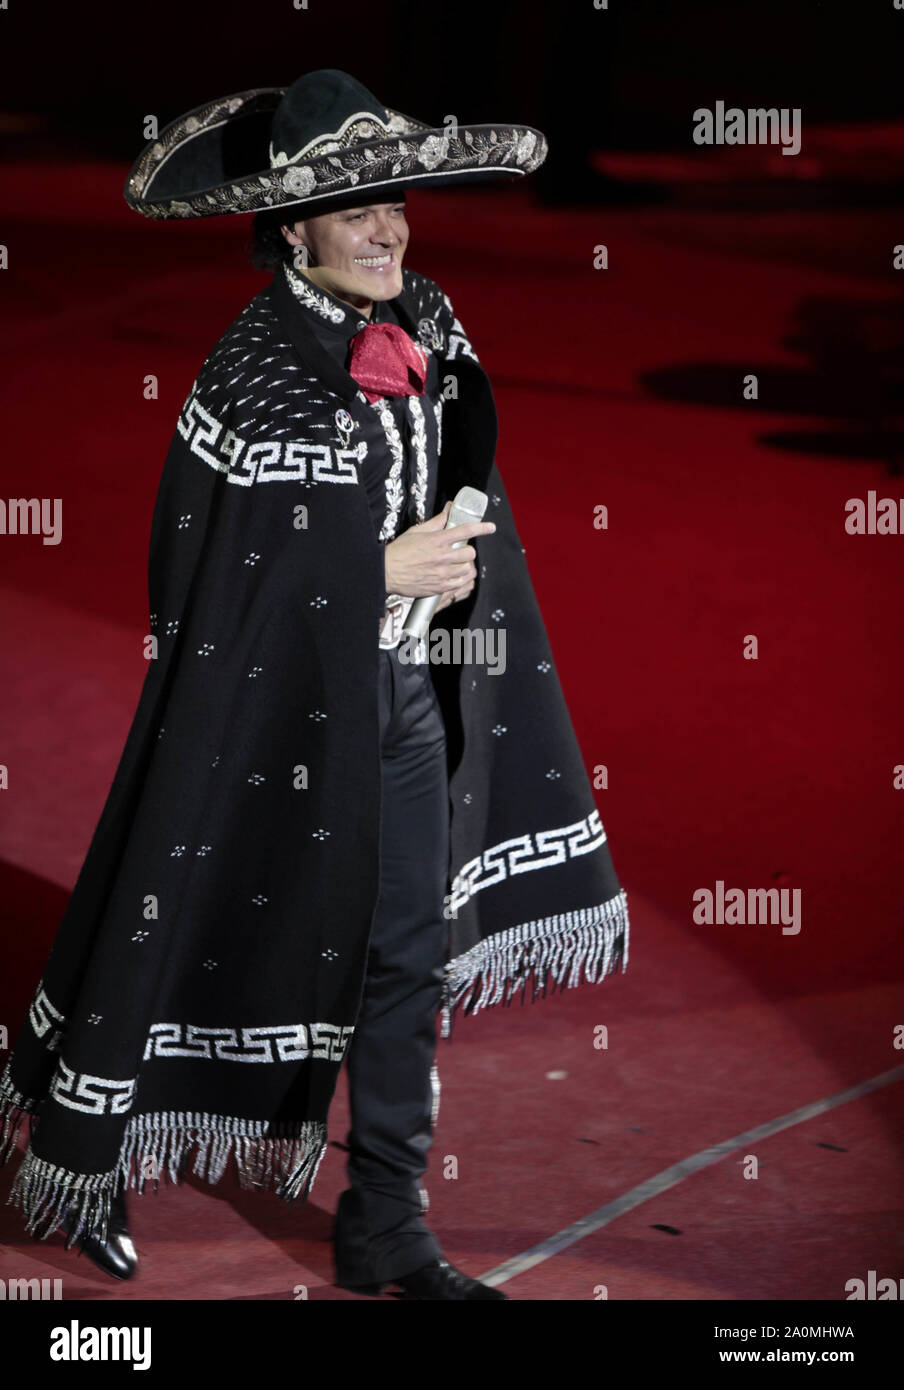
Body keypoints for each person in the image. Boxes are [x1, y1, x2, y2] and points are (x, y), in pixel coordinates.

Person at [0, 69, 629, 1300]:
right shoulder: (251, 367)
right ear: (294, 229)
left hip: (399, 706)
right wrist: (371, 563)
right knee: (191, 920)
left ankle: (385, 1214)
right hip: (264, 709)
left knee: (406, 950)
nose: (389, 228)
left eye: (396, 201)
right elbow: (198, 576)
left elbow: (468, 453)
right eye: (356, 212)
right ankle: (89, 1158)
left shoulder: (431, 314)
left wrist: (452, 565)